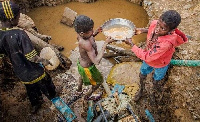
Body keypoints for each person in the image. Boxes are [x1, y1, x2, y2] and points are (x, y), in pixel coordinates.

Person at [0, 1, 57, 113]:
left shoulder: (1, 35)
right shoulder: (20, 34)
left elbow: (2, 54)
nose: (19, 19)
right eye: (18, 16)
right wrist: (45, 61)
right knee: (46, 82)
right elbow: (32, 57)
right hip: (34, 71)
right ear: (11, 19)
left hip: (20, 71)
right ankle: (53, 97)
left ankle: (36, 104)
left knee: (31, 89)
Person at [124, 10, 188, 102]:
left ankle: (154, 90)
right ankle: (141, 90)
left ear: (171, 31)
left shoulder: (166, 43)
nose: (157, 29)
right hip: (148, 60)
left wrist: (132, 45)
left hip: (160, 63)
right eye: (158, 24)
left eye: (162, 28)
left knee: (157, 79)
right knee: (142, 74)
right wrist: (142, 30)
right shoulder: (155, 24)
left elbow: (147, 57)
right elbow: (152, 28)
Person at [74, 15, 114, 100]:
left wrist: (96, 32)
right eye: (90, 31)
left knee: (81, 76)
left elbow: (90, 37)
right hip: (87, 68)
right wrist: (105, 44)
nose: (92, 32)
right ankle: (87, 96)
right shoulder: (86, 44)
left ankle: (78, 90)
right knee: (98, 82)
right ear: (82, 33)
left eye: (92, 29)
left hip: (81, 63)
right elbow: (96, 61)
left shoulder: (82, 35)